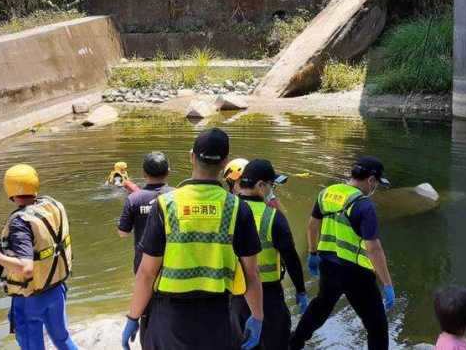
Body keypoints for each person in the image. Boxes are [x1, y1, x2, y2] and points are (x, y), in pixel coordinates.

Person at [121, 128, 265, 350]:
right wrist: (257, 316)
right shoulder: (238, 208)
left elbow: (147, 272)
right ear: (225, 161)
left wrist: (133, 317)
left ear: (192, 156)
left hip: (169, 319)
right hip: (218, 318)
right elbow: (251, 274)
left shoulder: (166, 204)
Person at [290, 156, 396, 350]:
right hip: (356, 273)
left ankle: (294, 342)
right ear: (371, 180)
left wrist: (313, 253)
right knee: (377, 325)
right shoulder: (364, 205)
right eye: (376, 184)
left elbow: (312, 225)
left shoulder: (327, 193)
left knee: (322, 305)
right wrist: (387, 283)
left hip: (328, 266)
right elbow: (373, 248)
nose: (375, 189)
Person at [0, 164, 77, 350]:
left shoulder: (20, 223)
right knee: (62, 339)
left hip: (30, 299)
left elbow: (26, 268)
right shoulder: (52, 206)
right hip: (56, 290)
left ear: (9, 188)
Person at [230, 159, 309, 350]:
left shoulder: (226, 211)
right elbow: (290, 258)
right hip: (268, 296)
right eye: (272, 186)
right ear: (260, 185)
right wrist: (300, 290)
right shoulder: (273, 217)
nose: (273, 190)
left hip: (233, 296)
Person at [118, 151, 174, 274]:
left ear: (143, 173)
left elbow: (123, 233)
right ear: (168, 172)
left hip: (143, 263)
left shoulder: (134, 199)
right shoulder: (178, 195)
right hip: (173, 262)